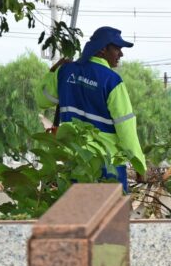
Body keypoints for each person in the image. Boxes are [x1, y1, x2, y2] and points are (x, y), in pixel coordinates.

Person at [36, 26, 145, 192]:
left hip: (74, 162)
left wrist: (53, 70)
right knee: (112, 217)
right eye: (117, 49)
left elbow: (42, 100)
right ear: (102, 49)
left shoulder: (65, 72)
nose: (120, 54)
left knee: (80, 215)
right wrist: (139, 165)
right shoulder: (112, 81)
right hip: (108, 164)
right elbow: (126, 128)